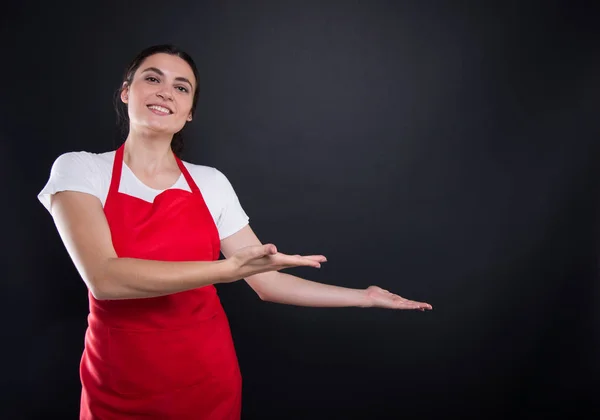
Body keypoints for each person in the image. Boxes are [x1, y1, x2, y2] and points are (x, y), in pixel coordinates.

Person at [38, 44, 432, 420]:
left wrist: (365, 297)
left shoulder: (210, 183)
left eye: (181, 87)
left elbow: (268, 283)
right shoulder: (80, 170)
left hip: (206, 383)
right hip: (117, 385)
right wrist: (225, 271)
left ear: (190, 111)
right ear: (127, 92)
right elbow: (105, 278)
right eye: (152, 79)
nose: (165, 93)